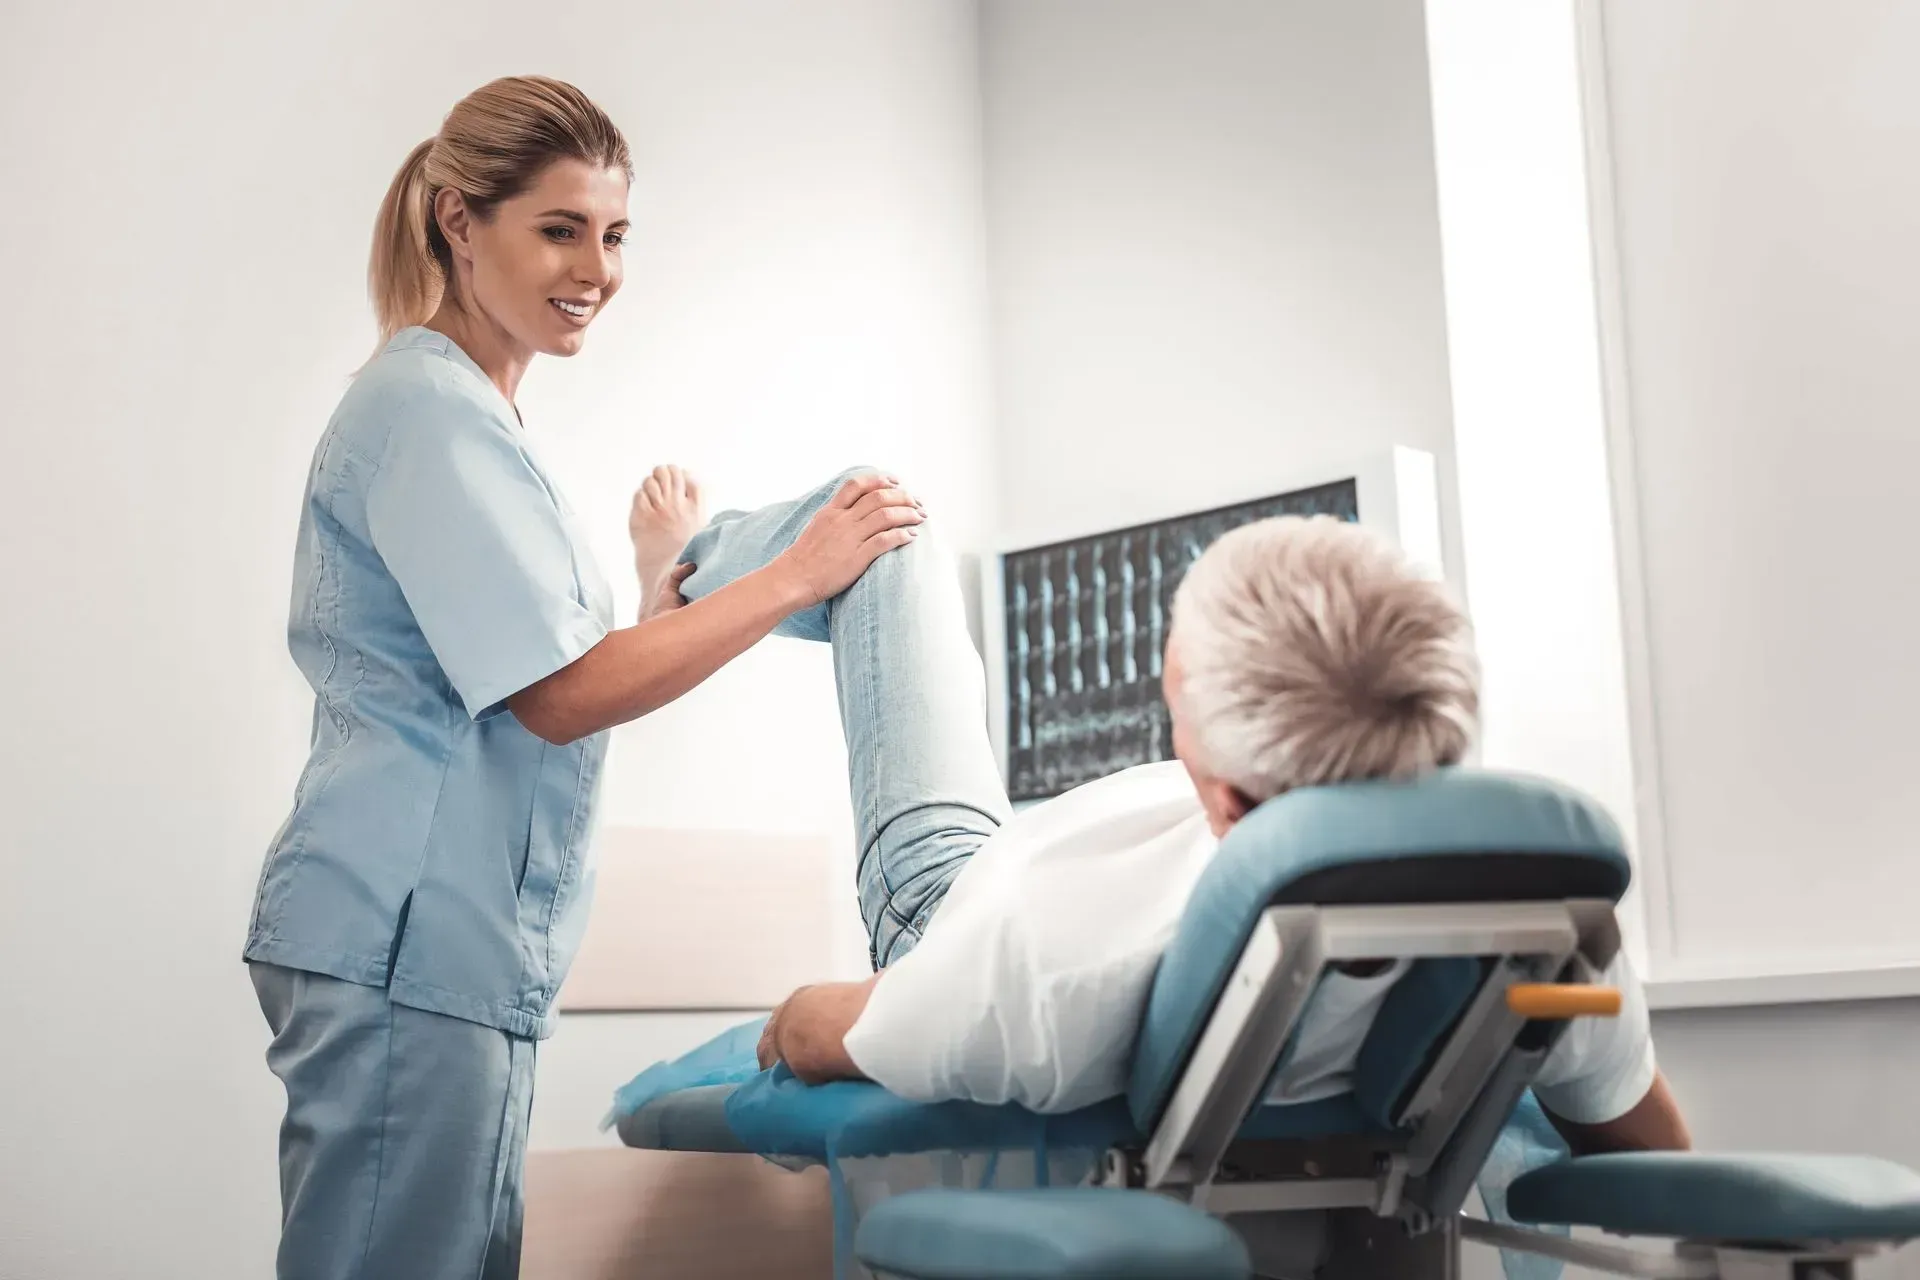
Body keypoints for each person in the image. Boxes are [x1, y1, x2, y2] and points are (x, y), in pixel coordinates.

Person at [244, 76, 924, 1280]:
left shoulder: (484, 426)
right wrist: (802, 571)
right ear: (460, 221)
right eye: (560, 228)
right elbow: (556, 694)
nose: (597, 268)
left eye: (614, 235)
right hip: (409, 931)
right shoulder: (425, 410)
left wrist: (664, 585)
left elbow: (554, 669)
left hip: (450, 945)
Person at [648, 486, 1690, 1158]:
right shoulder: (1541, 927)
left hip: (959, 889)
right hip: (1088, 855)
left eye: (1177, 691)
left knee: (887, 537)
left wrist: (787, 1020)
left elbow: (812, 1029)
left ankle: (686, 568)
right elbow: (1637, 1140)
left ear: (1226, 798)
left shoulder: (1048, 966)